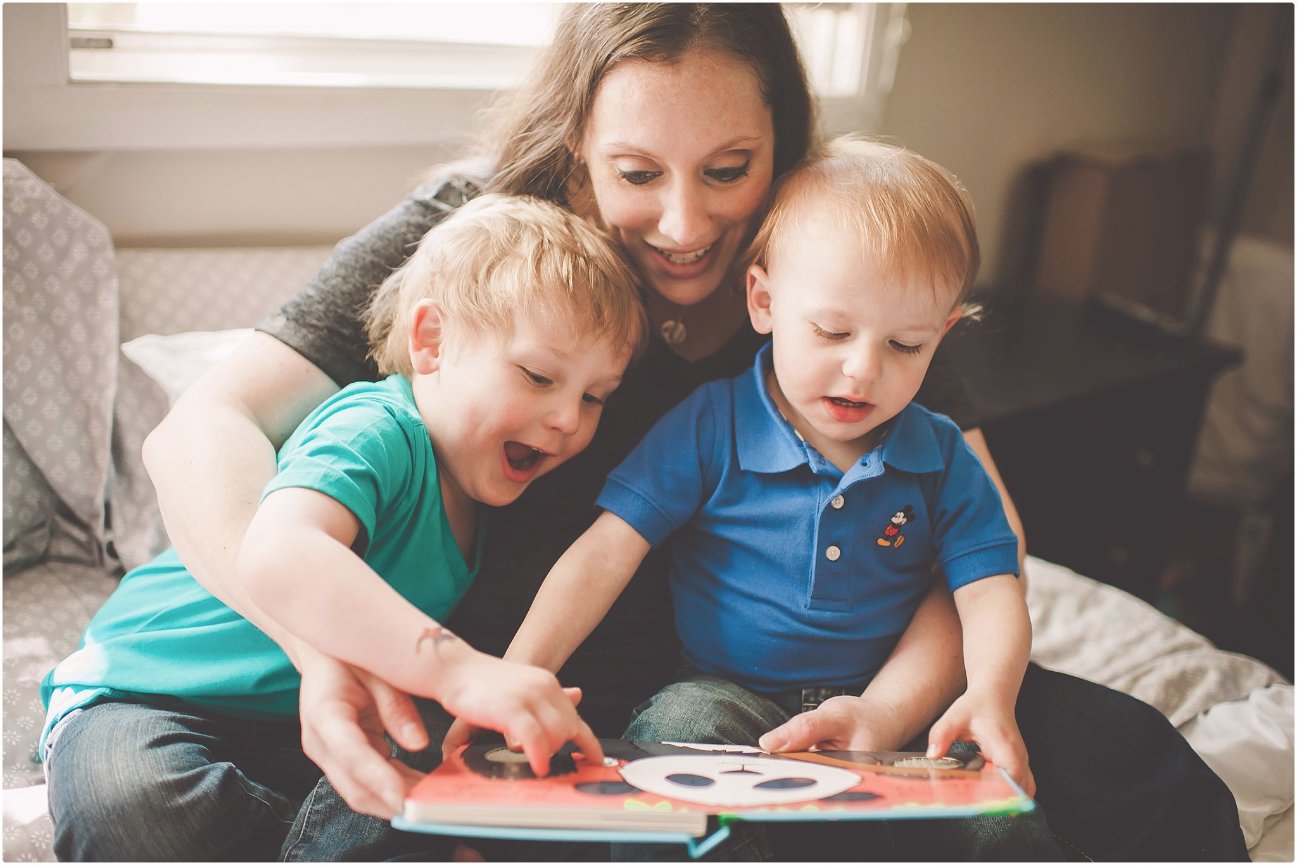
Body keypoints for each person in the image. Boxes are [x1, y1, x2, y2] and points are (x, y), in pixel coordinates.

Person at [141, 3, 1247, 861]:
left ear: (782, 145)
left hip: (850, 693)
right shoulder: (480, 239)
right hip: (563, 695)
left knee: (1142, 780)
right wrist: (319, 647)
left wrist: (902, 713)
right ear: (576, 146)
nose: (682, 225)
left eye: (729, 170)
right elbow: (202, 431)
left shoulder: (850, 275)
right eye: (634, 173)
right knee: (160, 810)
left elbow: (974, 549)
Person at [40, 194, 643, 861]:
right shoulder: (374, 427)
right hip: (150, 694)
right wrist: (462, 671)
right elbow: (282, 553)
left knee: (421, 799)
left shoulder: (483, 494)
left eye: (594, 396)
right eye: (537, 375)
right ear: (431, 341)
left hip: (306, 722)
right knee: (138, 809)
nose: (566, 417)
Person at [484, 138, 1041, 859]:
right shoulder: (709, 424)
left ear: (941, 336)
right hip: (723, 693)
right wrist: (523, 669)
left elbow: (993, 587)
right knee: (667, 758)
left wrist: (990, 694)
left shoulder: (939, 456)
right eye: (831, 330)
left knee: (1001, 815)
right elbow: (602, 554)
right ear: (764, 301)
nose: (862, 368)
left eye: (905, 345)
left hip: (891, 708)